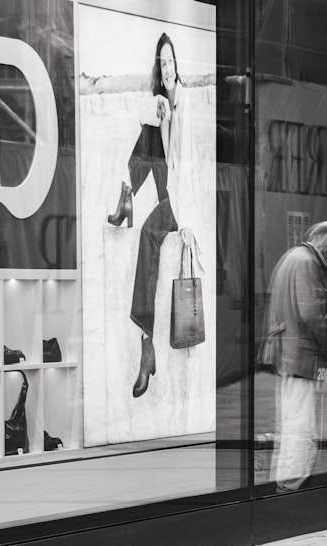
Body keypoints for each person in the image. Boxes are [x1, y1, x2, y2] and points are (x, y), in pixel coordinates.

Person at [105, 32, 199, 398]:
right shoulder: (163, 104)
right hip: (167, 189)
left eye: (172, 60)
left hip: (181, 197)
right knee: (148, 125)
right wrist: (157, 111)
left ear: (179, 65)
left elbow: (189, 167)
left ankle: (147, 345)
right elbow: (150, 146)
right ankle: (125, 193)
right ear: (159, 70)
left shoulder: (186, 103)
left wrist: (187, 219)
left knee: (147, 234)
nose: (169, 68)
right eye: (163, 63)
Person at [259, 221, 327, 492]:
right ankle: (292, 483)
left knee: (290, 421)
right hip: (300, 356)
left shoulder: (292, 257)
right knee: (299, 424)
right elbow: (312, 313)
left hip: (288, 355)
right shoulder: (307, 263)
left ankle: (286, 480)